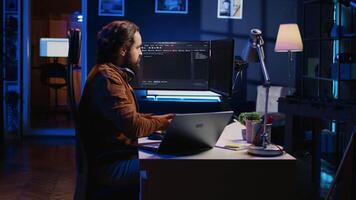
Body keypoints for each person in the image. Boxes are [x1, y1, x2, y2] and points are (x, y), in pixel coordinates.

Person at [78, 20, 175, 199]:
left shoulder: (110, 74)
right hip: (110, 168)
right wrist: (163, 124)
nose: (141, 52)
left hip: (117, 158)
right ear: (123, 50)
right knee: (174, 166)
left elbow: (129, 117)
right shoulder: (107, 79)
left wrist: (161, 120)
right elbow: (133, 125)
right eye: (138, 47)